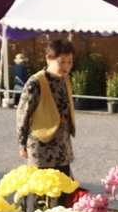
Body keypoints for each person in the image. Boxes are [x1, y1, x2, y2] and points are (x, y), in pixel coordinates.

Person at [16, 39, 76, 178]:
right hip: (41, 148)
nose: (66, 66)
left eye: (70, 61)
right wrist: (22, 145)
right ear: (48, 59)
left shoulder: (66, 80)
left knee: (64, 191)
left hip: (62, 146)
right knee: (41, 194)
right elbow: (22, 115)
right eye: (61, 61)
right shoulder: (35, 82)